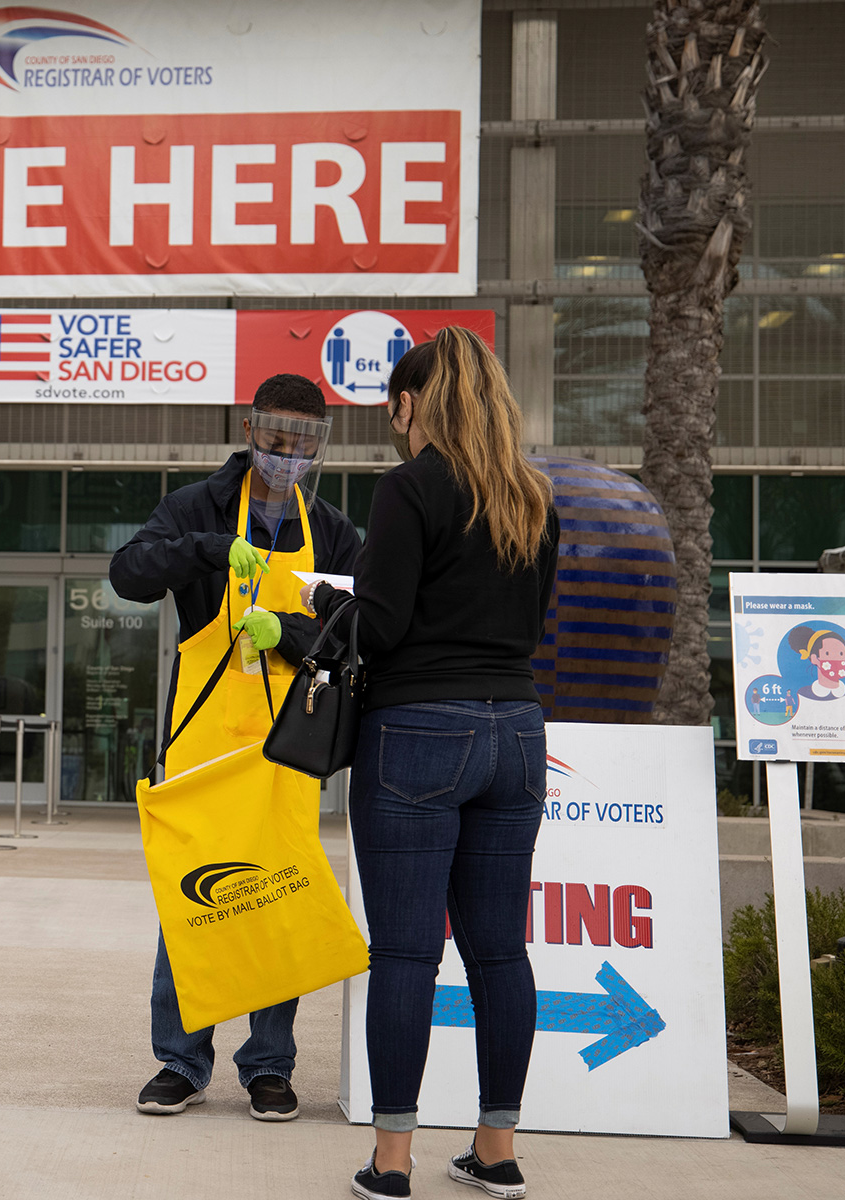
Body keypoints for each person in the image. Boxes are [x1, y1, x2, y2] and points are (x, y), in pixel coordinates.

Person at [332, 327, 557, 1200]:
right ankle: (495, 1150)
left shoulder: (409, 488)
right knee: (500, 953)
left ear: (410, 402)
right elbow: (531, 626)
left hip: (418, 731)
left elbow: (379, 625)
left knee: (405, 953)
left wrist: (319, 606)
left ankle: (392, 1161)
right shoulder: (532, 495)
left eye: (395, 404)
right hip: (518, 736)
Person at [109, 373, 361, 1123]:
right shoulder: (197, 507)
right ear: (251, 430)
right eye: (276, 439)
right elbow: (127, 575)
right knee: (190, 901)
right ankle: (180, 1062)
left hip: (286, 744)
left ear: (319, 447)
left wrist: (284, 632)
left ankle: (268, 1066)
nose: (287, 456)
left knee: (273, 896)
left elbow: (356, 631)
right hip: (202, 739)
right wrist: (212, 549)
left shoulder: (337, 531)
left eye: (302, 444)